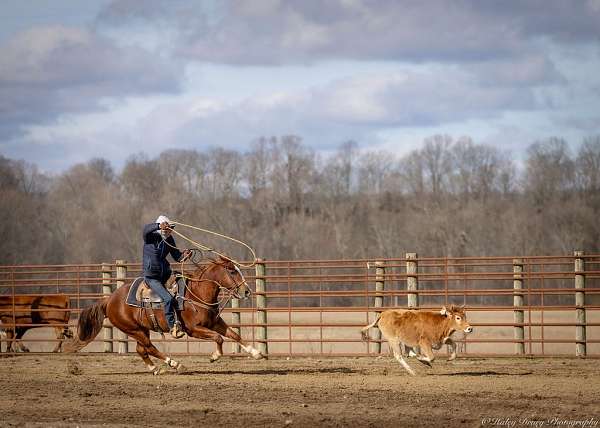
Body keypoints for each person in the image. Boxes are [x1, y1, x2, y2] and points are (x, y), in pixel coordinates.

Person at [142, 215, 191, 339]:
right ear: (161, 228)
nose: (170, 231)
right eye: (168, 228)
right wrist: (159, 226)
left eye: (171, 228)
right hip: (152, 277)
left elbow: (177, 257)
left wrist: (185, 255)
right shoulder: (150, 237)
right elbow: (145, 229)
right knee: (168, 299)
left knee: (184, 281)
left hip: (166, 274)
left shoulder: (169, 240)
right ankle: (172, 327)